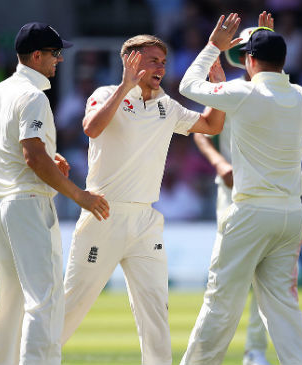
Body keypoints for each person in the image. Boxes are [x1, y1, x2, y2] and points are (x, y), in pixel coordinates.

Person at [61, 34, 226, 364]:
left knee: (155, 312)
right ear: (130, 61)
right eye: (153, 60)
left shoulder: (168, 105)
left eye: (163, 62)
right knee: (71, 306)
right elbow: (91, 128)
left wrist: (217, 86)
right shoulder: (106, 94)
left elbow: (211, 125)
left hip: (146, 221)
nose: (160, 68)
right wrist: (124, 86)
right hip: (104, 213)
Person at [178, 12, 302, 365]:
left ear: (249, 61)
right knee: (284, 310)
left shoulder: (242, 93)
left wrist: (213, 47)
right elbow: (267, 78)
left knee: (220, 303)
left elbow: (187, 86)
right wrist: (262, 38)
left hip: (251, 213)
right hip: (291, 215)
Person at [0, 22, 109, 365]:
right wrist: (80, 196)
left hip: (1, 206)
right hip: (29, 204)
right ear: (36, 56)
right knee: (44, 300)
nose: (59, 60)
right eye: (55, 53)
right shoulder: (33, 96)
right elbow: (32, 157)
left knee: (8, 300)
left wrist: (46, 153)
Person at [194, 24, 271, 365]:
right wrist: (219, 162)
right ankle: (210, 355)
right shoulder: (228, 89)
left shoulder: (279, 92)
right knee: (223, 278)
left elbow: (269, 85)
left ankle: (254, 351)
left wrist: (265, 43)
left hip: (267, 194)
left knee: (263, 281)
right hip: (231, 194)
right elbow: (201, 132)